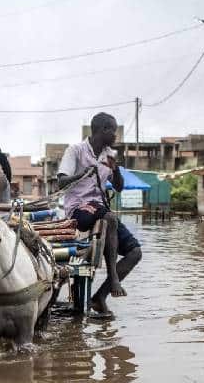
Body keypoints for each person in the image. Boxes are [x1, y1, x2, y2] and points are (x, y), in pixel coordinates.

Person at [57, 112, 142, 317]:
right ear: (102, 130)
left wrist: (117, 170)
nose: (115, 135)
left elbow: (119, 188)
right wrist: (85, 172)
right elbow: (61, 181)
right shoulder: (75, 150)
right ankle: (113, 277)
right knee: (110, 217)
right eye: (112, 130)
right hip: (78, 208)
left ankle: (99, 297)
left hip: (100, 208)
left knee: (135, 253)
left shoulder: (110, 154)